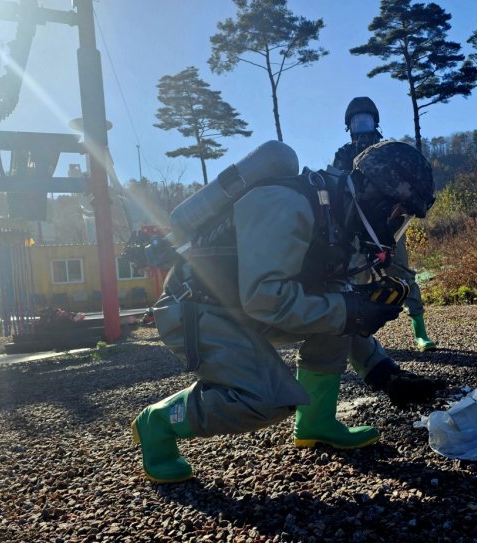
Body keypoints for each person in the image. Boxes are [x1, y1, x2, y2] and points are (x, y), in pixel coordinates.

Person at [132, 140, 438, 483]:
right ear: (372, 194)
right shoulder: (288, 204)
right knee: (265, 399)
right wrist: (351, 310)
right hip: (195, 309)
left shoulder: (338, 220)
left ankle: (316, 422)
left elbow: (335, 306)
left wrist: (383, 372)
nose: (395, 229)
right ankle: (158, 422)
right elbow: (267, 298)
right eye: (398, 215)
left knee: (340, 307)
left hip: (238, 306)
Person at [333, 97, 437, 352]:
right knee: (355, 275)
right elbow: (336, 187)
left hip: (388, 224)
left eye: (366, 120)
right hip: (354, 225)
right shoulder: (343, 155)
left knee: (399, 270)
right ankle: (360, 336)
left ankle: (419, 331)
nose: (362, 126)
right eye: (357, 122)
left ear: (375, 122)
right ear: (349, 126)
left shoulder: (388, 151)